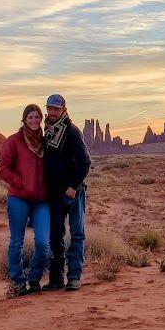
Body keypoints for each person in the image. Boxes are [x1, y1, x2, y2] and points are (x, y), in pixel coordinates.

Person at [0, 104, 51, 295]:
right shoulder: (14, 141)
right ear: (24, 119)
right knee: (16, 242)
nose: (34, 121)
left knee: (44, 243)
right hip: (19, 199)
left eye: (37, 117)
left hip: (42, 201)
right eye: (30, 117)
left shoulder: (45, 142)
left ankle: (34, 278)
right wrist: (21, 183)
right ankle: (18, 282)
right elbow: (3, 168)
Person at [42, 93, 91, 291]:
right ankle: (56, 279)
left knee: (77, 235)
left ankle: (74, 277)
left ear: (64, 109)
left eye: (56, 108)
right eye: (50, 108)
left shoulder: (71, 131)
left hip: (73, 193)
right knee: (56, 235)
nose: (52, 112)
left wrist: (72, 186)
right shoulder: (47, 132)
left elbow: (84, 162)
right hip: (54, 194)